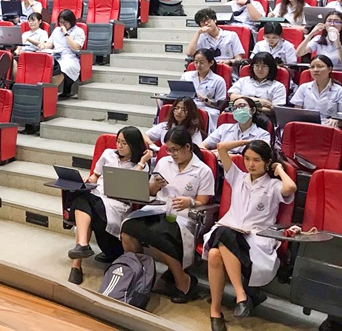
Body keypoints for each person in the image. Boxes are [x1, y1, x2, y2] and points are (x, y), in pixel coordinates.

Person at [204, 140, 296, 329]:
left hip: (255, 240)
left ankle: (220, 309)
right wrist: (248, 142)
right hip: (229, 232)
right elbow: (221, 148)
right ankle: (237, 298)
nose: (250, 164)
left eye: (256, 160)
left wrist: (279, 169)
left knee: (215, 252)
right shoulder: (237, 176)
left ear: (267, 162)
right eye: (247, 158)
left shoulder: (272, 185)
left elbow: (290, 188)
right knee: (223, 232)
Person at [121, 127, 215, 303]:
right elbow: (150, 192)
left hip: (183, 215)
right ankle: (141, 275)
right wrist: (156, 185)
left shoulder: (203, 170)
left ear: (187, 147)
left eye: (175, 150)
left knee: (158, 235)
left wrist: (190, 201)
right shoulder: (164, 162)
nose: (172, 154)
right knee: (128, 227)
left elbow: (203, 201)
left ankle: (183, 281)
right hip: (158, 208)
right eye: (169, 150)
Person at [66, 127, 153, 285]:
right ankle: (78, 259)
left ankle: (80, 254)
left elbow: (133, 189)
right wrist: (88, 180)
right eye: (118, 141)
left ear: (133, 145)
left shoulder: (141, 166)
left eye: (124, 143)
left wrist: (141, 162)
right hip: (97, 196)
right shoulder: (108, 154)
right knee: (83, 197)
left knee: (83, 201)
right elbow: (95, 176)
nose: (119, 146)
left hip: (117, 205)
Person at [201, 97, 270, 153]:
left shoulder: (263, 135)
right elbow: (201, 147)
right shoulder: (223, 128)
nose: (238, 110)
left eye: (242, 106)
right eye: (235, 108)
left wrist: (224, 153)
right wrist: (212, 154)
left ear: (252, 110)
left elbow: (261, 157)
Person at [181, 48, 226, 132]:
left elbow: (220, 104)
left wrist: (205, 100)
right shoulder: (186, 76)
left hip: (207, 108)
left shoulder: (219, 80)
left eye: (201, 62)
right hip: (187, 105)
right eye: (196, 62)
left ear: (211, 63)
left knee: (209, 114)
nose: (198, 65)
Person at [43, 9, 85, 96]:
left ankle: (48, 94)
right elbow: (50, 44)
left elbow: (75, 48)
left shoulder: (79, 31)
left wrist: (66, 33)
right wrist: (43, 46)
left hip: (70, 57)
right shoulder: (56, 30)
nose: (62, 25)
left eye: (65, 22)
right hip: (55, 55)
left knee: (62, 68)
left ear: (71, 21)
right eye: (60, 22)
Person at [290, 55, 342, 124]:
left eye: (320, 66)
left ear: (330, 69)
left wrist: (337, 120)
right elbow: (297, 111)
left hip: (328, 126)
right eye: (312, 67)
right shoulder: (303, 87)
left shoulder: (339, 90)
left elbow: (340, 115)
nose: (315, 70)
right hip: (306, 124)